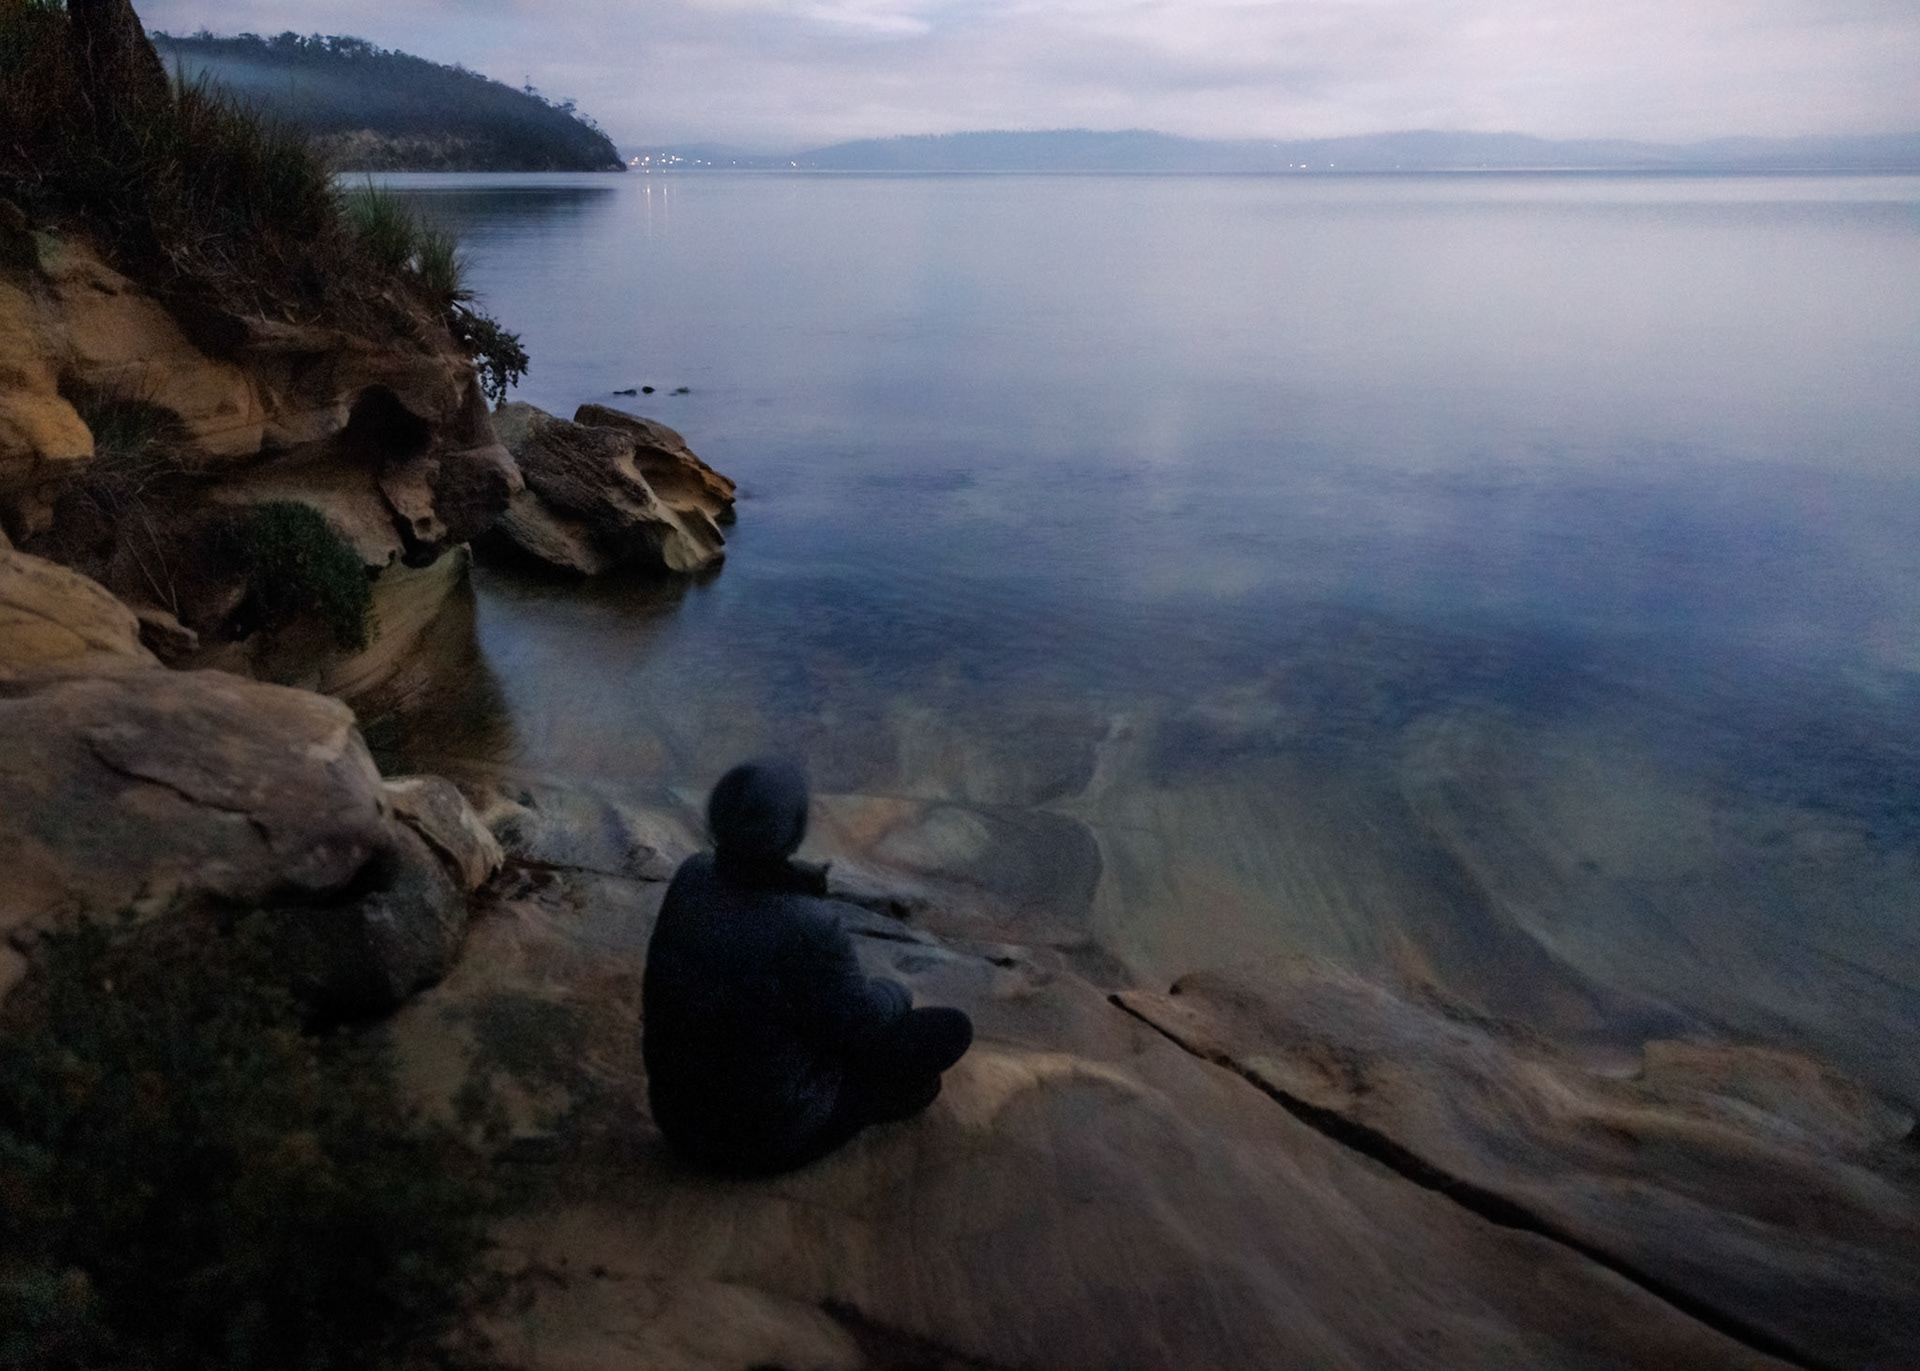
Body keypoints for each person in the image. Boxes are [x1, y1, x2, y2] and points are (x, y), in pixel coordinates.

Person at [642, 757, 973, 1175]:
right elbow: (864, 1028)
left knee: (788, 1020)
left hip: (678, 1124)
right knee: (949, 1032)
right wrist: (896, 991)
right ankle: (851, 1107)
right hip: (759, 1142)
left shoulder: (691, 875)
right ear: (794, 832)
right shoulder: (808, 923)